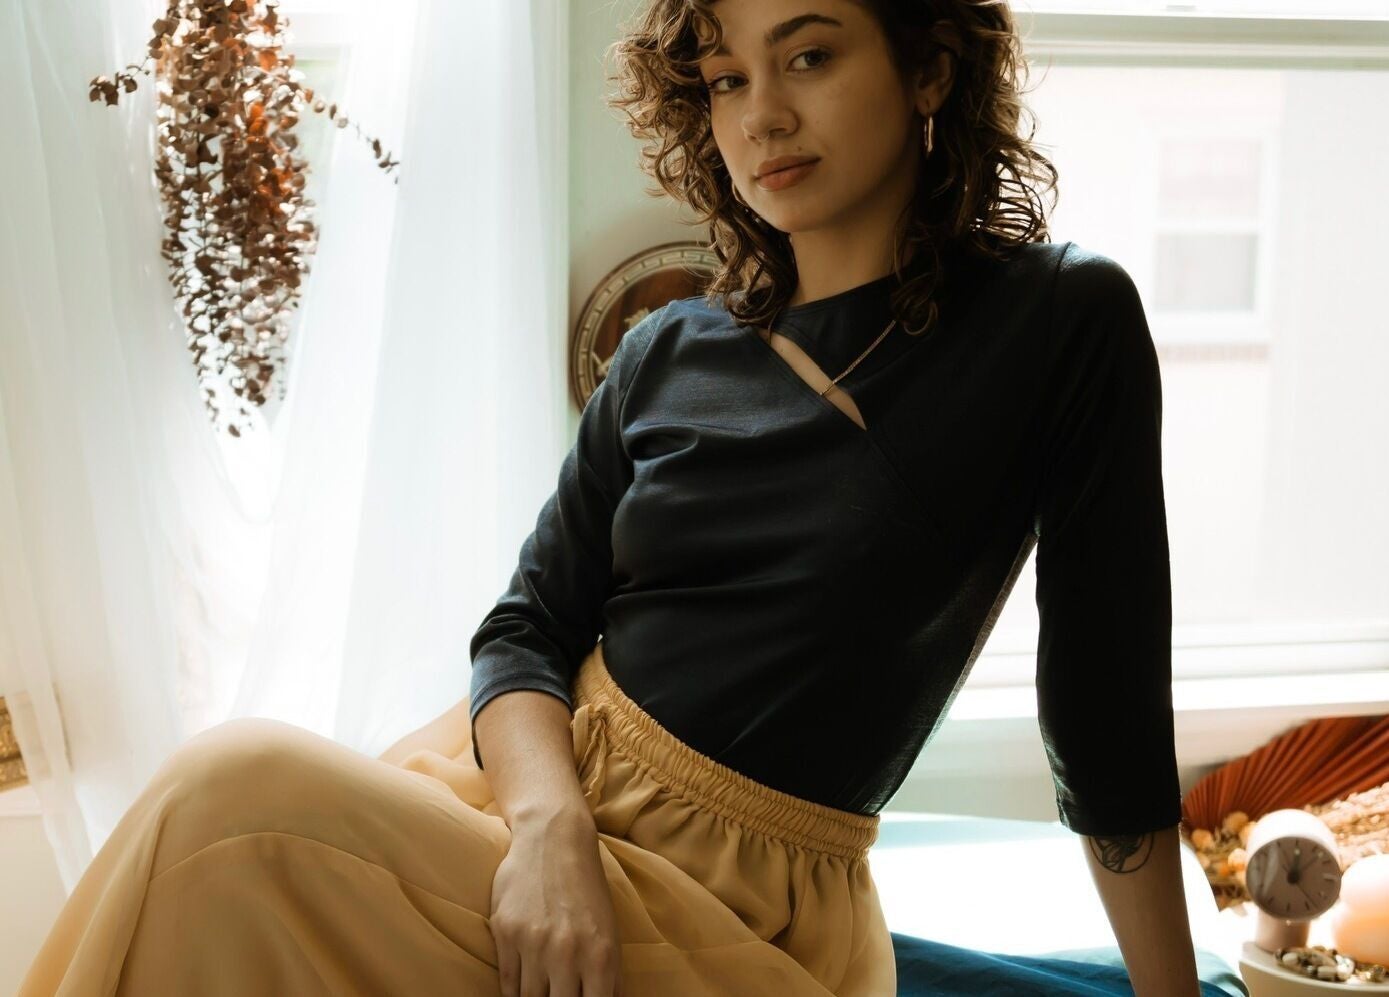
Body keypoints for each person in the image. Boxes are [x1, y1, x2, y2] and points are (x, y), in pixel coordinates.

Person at [19, 1, 1205, 995]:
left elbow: (1105, 720)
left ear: (930, 65)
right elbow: (525, 628)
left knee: (226, 803)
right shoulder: (671, 351)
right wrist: (548, 827)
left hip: (736, 899)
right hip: (525, 803)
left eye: (809, 56)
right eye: (725, 78)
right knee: (220, 849)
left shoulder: (1059, 321)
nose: (762, 116)